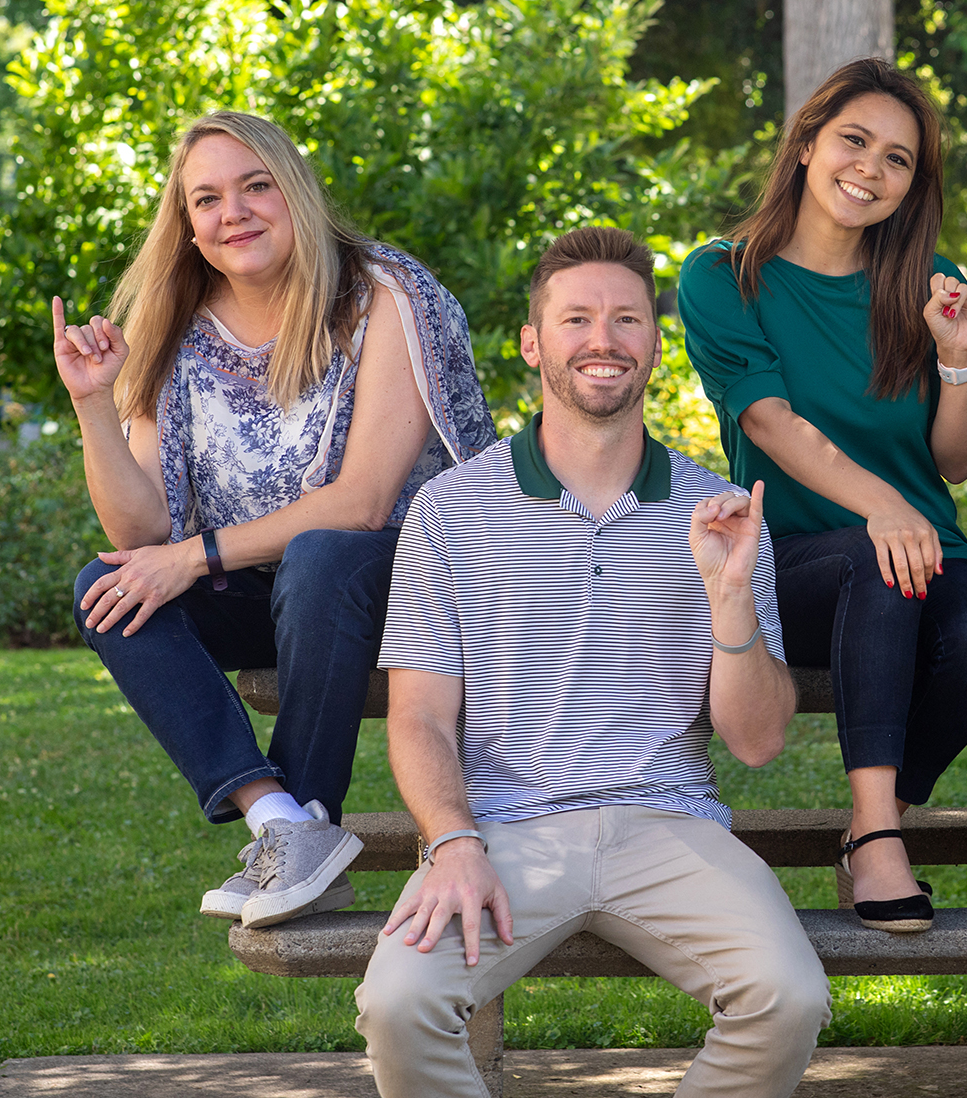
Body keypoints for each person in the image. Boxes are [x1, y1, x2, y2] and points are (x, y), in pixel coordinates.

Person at [354, 227, 830, 1098]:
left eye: (626, 319)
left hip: (669, 823)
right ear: (534, 343)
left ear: (655, 341)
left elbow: (757, 743)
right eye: (576, 319)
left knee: (789, 996)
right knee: (397, 1003)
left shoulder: (718, 510)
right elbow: (418, 715)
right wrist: (453, 841)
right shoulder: (450, 512)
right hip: (502, 832)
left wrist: (729, 602)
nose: (602, 340)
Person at [55, 111, 495, 930]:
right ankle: (281, 821)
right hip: (280, 600)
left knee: (323, 555)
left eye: (256, 186)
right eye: (209, 199)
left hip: (410, 593)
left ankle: (311, 815)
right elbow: (141, 533)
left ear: (294, 191)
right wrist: (91, 404)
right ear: (186, 225)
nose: (236, 213)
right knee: (103, 586)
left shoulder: (384, 294)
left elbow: (364, 500)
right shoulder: (172, 327)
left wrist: (194, 558)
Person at [676, 59, 967, 934]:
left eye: (899, 159)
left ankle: (880, 820)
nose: (871, 168)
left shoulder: (926, 280)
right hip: (796, 557)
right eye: (854, 141)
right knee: (881, 560)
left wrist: (955, 357)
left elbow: (957, 460)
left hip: (917, 545)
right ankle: (875, 837)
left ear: (913, 186)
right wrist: (882, 506)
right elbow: (768, 422)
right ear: (806, 145)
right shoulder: (725, 274)